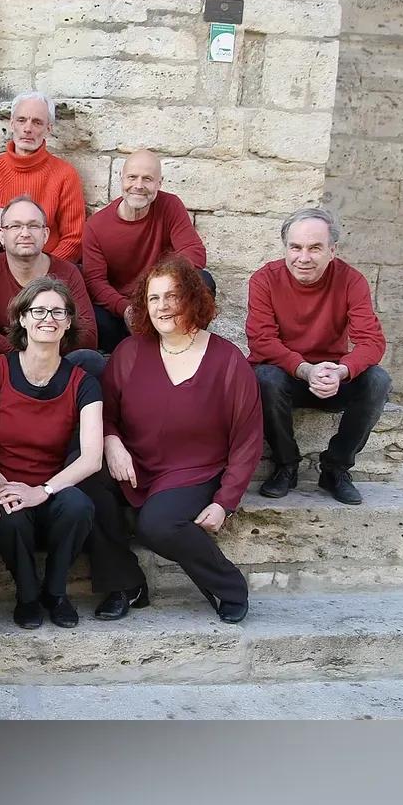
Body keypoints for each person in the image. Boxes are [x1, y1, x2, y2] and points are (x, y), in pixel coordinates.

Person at [99, 256, 263, 624]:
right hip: (134, 464)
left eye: (172, 296)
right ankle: (126, 582)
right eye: (154, 298)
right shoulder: (129, 353)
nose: (162, 306)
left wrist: (224, 503)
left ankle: (229, 587)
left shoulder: (227, 361)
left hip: (193, 471)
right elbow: (104, 412)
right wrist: (111, 441)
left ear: (192, 298)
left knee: (156, 525)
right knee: (84, 485)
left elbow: (247, 440)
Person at [0, 276, 102, 630]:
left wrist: (43, 491)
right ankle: (27, 596)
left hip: (53, 489)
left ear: (68, 322)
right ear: (22, 318)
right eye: (38, 311)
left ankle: (55, 592)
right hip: (5, 482)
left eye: (58, 312)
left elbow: (91, 458)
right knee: (8, 515)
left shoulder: (83, 382)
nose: (48, 319)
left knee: (79, 506)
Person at [247, 208, 390, 505]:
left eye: (315, 248)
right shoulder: (265, 279)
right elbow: (262, 341)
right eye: (295, 247)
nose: (303, 257)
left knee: (378, 380)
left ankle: (336, 469)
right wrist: (304, 369)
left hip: (332, 377)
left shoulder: (351, 280)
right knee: (264, 377)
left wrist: (341, 371)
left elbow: (372, 341)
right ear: (286, 248)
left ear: (332, 251)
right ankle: (286, 465)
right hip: (288, 377)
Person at [0, 195, 101, 380]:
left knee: (90, 360)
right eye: (15, 226)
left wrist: (44, 353)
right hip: (6, 365)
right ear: (1, 235)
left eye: (33, 226)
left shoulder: (68, 272)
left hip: (55, 366)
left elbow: (89, 335)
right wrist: (24, 353)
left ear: (45, 234)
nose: (25, 233)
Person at [83, 149, 210, 352]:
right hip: (123, 310)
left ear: (159, 183)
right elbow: (95, 282)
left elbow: (193, 251)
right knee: (93, 314)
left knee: (204, 280)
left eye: (147, 179)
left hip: (166, 299)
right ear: (121, 178)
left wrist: (160, 288)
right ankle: (121, 358)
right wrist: (126, 309)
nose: (138, 185)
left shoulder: (170, 206)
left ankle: (184, 349)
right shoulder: (95, 226)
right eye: (132, 177)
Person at [0, 92, 85, 272]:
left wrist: (44, 271)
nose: (27, 128)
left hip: (43, 266)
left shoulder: (65, 173)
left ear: (48, 129)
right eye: (21, 120)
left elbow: (74, 238)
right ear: (12, 124)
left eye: (37, 122)